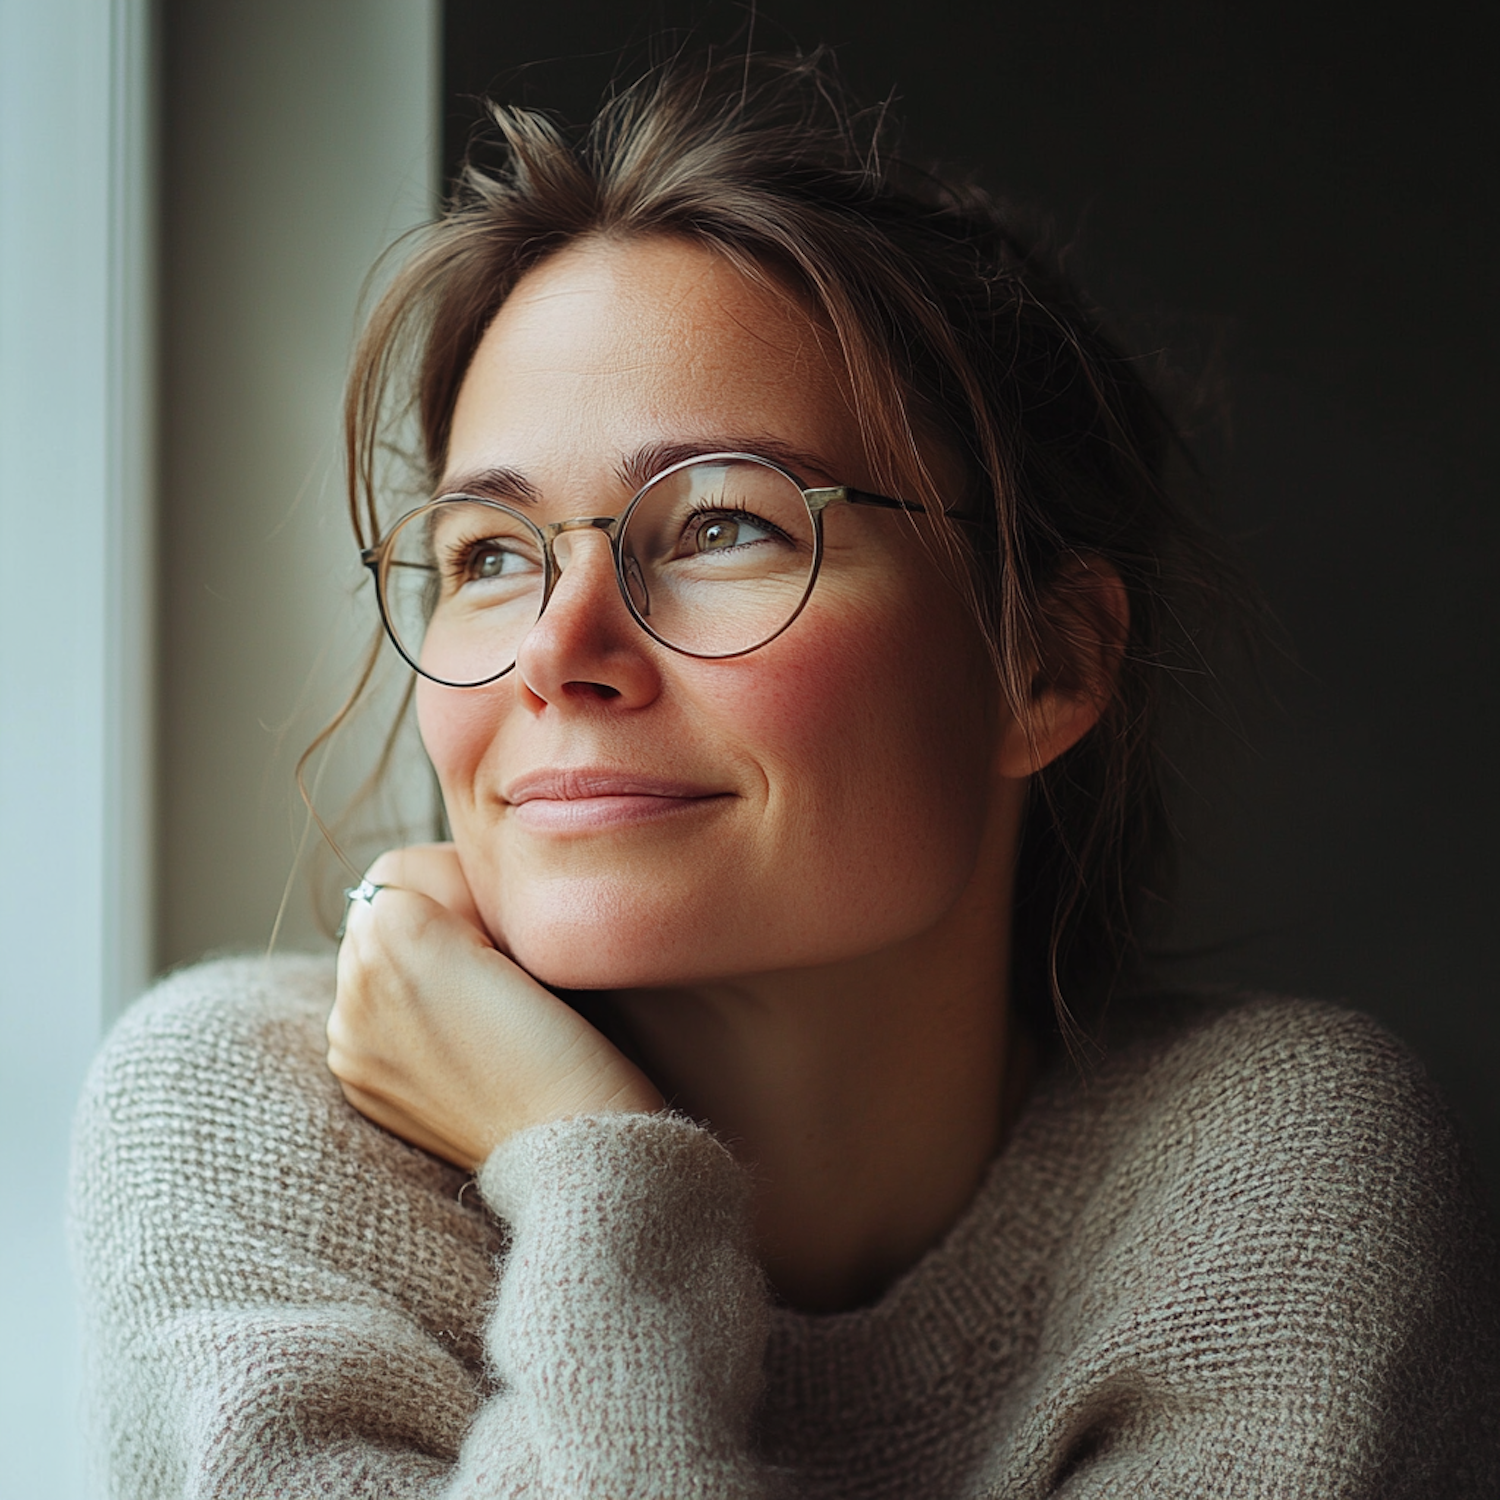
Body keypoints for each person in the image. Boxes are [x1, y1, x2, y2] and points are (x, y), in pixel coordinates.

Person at [70, 50, 1498, 1497]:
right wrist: (601, 1171)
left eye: (721, 529)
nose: (561, 652)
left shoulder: (1266, 1186)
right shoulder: (242, 1124)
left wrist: (584, 1169)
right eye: (492, 556)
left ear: (1047, 663)